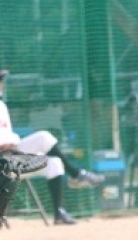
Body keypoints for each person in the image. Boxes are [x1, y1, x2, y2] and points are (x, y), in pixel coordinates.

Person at [0, 70, 105, 225]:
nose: (2, 84)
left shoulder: (2, 105)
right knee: (42, 138)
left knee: (54, 161)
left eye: (1, 80)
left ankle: (59, 213)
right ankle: (76, 174)